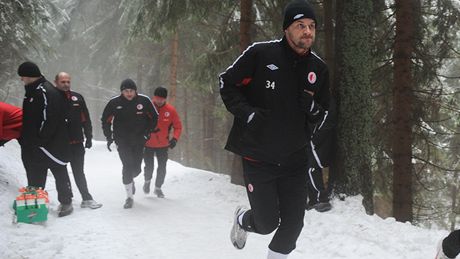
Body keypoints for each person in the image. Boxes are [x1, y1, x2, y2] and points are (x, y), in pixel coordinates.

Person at [219, 0, 330, 258]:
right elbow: (227, 82)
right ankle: (244, 220)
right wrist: (246, 114)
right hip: (259, 158)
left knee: (293, 225)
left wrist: (312, 107)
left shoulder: (318, 68)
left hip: (295, 160)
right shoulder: (261, 54)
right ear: (286, 29)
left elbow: (324, 113)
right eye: (300, 25)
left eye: (312, 26)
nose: (308, 32)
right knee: (267, 223)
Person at [17, 61, 74, 217]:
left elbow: (51, 118)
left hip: (50, 145)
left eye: (23, 77)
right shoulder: (33, 91)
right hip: (36, 145)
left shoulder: (45, 91)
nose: (22, 80)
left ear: (29, 76)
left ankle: (66, 202)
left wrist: (40, 140)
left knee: (59, 170)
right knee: (35, 173)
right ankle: (34, 209)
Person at [101, 78, 158, 209]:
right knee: (127, 165)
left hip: (139, 140)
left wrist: (147, 133)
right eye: (126, 91)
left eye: (131, 91)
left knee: (136, 168)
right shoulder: (114, 103)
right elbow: (106, 120)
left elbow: (154, 118)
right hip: (122, 141)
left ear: (135, 91)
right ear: (122, 92)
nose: (129, 94)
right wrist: (109, 137)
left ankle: (130, 179)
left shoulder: (144, 101)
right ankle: (129, 197)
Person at [54, 72, 102, 209]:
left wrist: (89, 136)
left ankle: (86, 198)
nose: (66, 84)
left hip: (77, 142)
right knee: (61, 174)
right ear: (56, 82)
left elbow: (85, 119)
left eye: (68, 81)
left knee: (79, 171)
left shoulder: (78, 98)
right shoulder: (52, 98)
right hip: (59, 144)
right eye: (63, 82)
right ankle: (66, 201)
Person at [143, 86, 182, 198]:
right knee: (149, 166)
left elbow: (178, 127)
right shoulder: (147, 107)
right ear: (153, 97)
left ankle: (158, 188)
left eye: (161, 99)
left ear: (165, 99)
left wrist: (174, 139)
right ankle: (147, 181)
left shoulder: (170, 111)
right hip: (148, 143)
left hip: (163, 144)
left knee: (162, 167)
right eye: (157, 98)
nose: (159, 101)